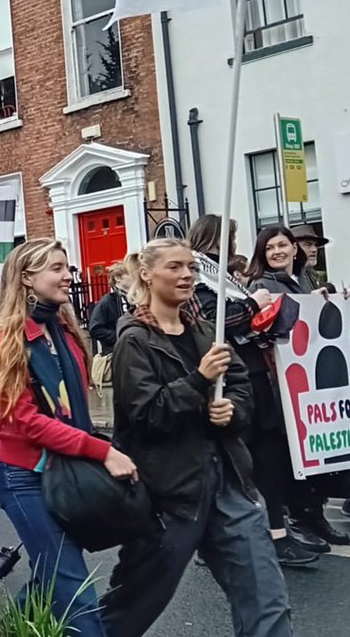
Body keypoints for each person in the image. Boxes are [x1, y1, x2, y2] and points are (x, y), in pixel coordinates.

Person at [101, 239, 292, 637]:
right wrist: (199, 380)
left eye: (190, 267)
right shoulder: (134, 341)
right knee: (135, 603)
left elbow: (241, 388)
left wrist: (232, 412)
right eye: (175, 267)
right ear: (148, 275)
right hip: (169, 492)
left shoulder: (208, 332)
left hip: (228, 481)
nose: (187, 275)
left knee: (266, 598)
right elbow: (144, 415)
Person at [0, 239, 134, 636]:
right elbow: (22, 420)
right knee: (74, 590)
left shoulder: (64, 331)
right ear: (27, 278)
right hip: (25, 478)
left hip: (70, 473)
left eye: (68, 267)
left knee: (51, 578)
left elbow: (76, 406)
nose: (69, 275)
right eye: (57, 268)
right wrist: (101, 451)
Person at [187, 216, 313, 566]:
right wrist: (255, 304)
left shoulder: (222, 276)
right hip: (227, 377)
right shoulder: (199, 277)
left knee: (268, 454)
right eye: (232, 236)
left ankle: (277, 532)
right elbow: (217, 325)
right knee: (235, 460)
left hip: (251, 372)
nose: (235, 243)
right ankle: (216, 537)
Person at [246, 225, 350, 550]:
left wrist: (336, 301)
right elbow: (268, 327)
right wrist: (306, 304)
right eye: (269, 248)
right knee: (291, 456)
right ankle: (300, 514)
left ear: (294, 248)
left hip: (314, 385)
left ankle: (313, 513)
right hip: (282, 383)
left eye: (282, 245)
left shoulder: (308, 278)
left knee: (317, 453)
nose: (277, 252)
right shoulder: (261, 285)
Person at [87, 263, 130, 356]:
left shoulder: (134, 298)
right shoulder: (107, 301)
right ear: (118, 278)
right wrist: (118, 337)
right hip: (115, 353)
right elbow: (95, 329)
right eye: (129, 273)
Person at [290, 223, 334, 294]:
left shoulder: (309, 275)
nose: (314, 249)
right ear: (294, 248)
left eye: (316, 245)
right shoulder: (289, 277)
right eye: (308, 244)